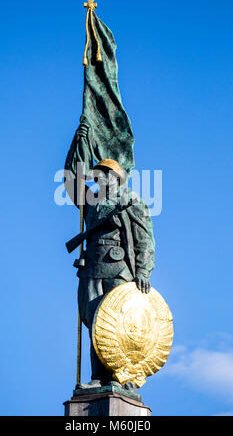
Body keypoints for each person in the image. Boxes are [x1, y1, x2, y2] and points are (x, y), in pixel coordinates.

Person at [64, 122, 155, 390]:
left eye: (102, 174)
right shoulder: (91, 201)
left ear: (114, 177)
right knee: (95, 323)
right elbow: (71, 179)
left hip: (119, 269)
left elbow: (144, 239)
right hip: (92, 267)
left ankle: (121, 376)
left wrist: (143, 271)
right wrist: (77, 143)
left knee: (120, 322)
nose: (97, 178)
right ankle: (97, 378)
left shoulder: (130, 200)